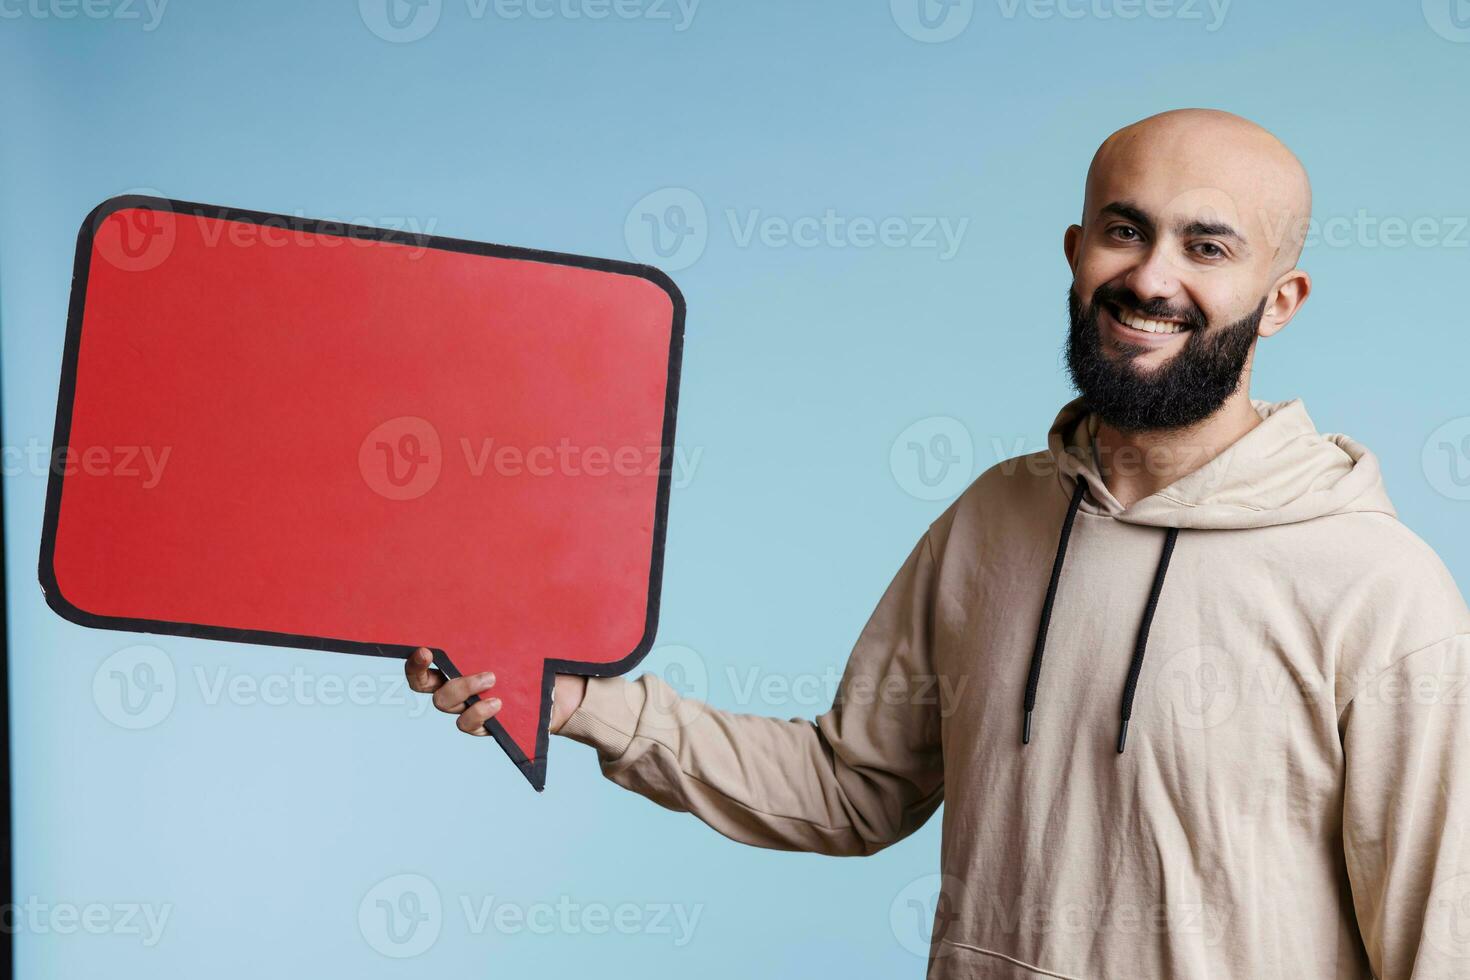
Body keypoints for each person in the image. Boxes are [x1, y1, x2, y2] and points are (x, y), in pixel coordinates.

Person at [406, 108, 1470, 979]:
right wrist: (582, 703)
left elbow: (1440, 941)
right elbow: (850, 783)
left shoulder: (1380, 591)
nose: (1151, 277)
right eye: (1123, 228)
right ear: (1075, 249)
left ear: (1280, 299)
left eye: (1208, 245)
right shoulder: (994, 518)